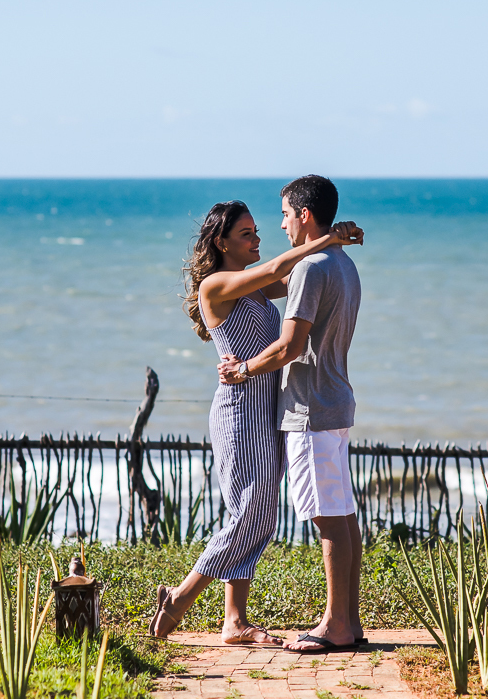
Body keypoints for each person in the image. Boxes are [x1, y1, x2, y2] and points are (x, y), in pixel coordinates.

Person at [149, 199, 362, 644]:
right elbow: (280, 266)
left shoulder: (256, 289)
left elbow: (302, 276)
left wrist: (330, 246)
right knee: (253, 510)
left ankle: (234, 620)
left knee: (254, 510)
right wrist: (328, 237)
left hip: (270, 407)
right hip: (240, 411)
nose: (257, 239)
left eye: (257, 231)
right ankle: (182, 597)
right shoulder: (217, 285)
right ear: (221, 242)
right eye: (246, 234)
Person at [217, 175, 363, 654]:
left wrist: (243, 369)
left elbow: (288, 346)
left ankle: (337, 626)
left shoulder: (310, 269)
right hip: (336, 400)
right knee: (342, 515)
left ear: (303, 215)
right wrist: (334, 236)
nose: (279, 226)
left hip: (309, 408)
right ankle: (347, 621)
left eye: (283, 215)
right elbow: (277, 274)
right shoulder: (341, 263)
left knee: (327, 518)